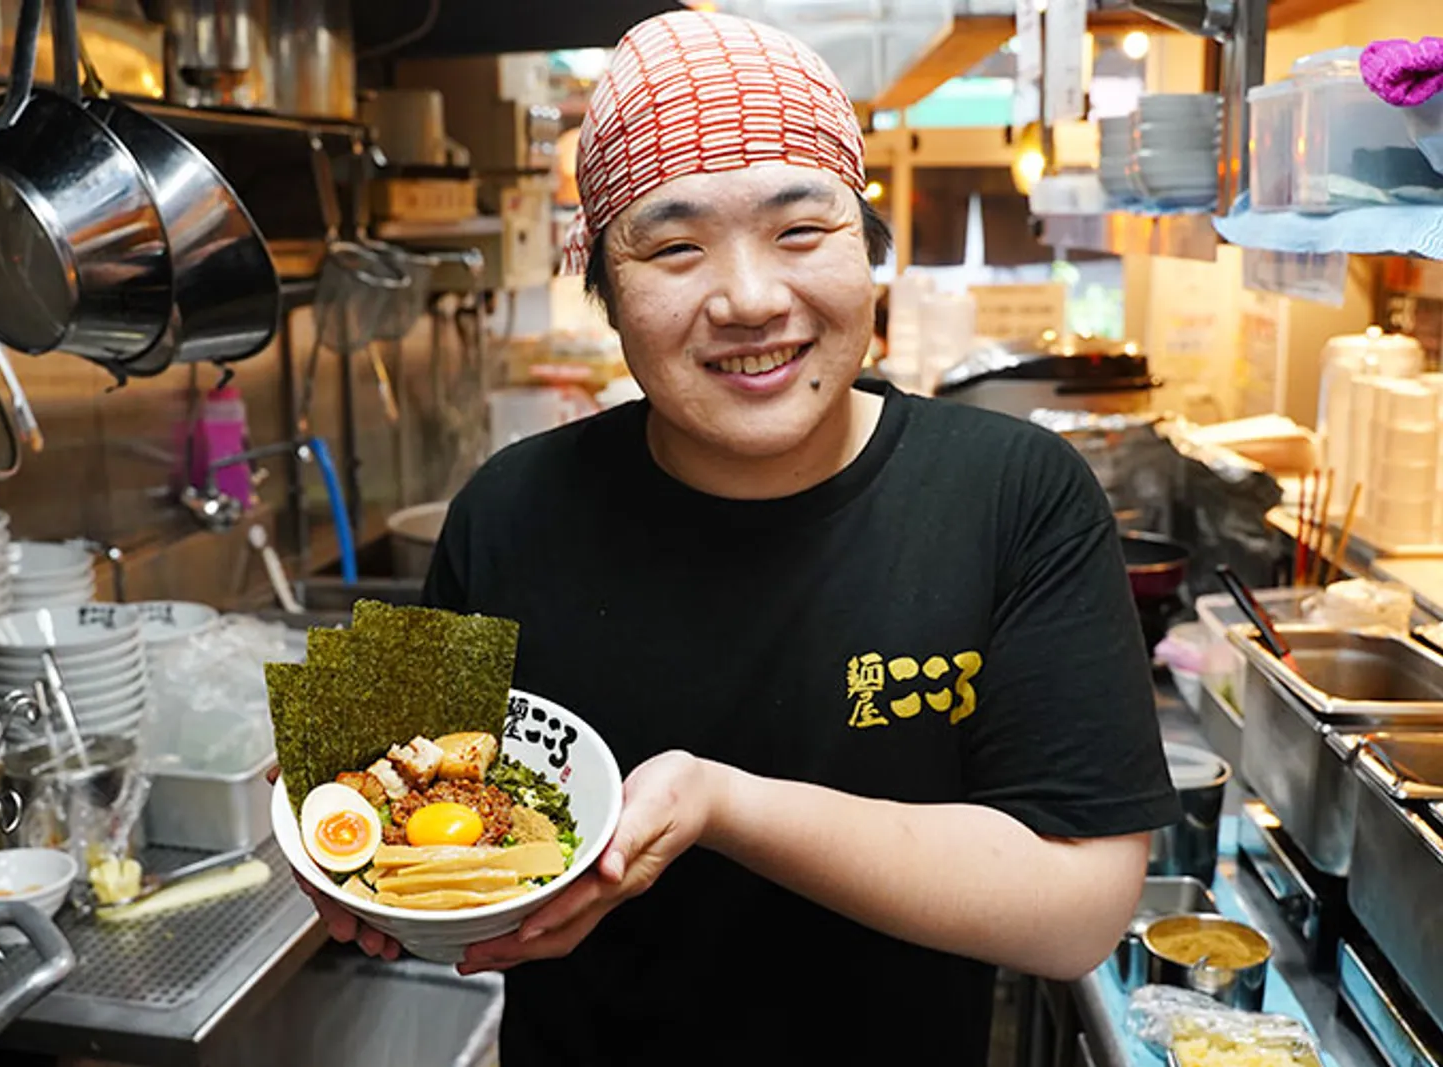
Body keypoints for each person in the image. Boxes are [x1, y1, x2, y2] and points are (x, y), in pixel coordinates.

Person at [292, 10, 1180, 1064]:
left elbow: (1078, 906)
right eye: (675, 247)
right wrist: (322, 813)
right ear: (605, 290)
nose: (752, 300)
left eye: (800, 231)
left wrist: (724, 804)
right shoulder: (508, 504)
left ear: (866, 246)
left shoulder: (1016, 492)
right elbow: (378, 790)